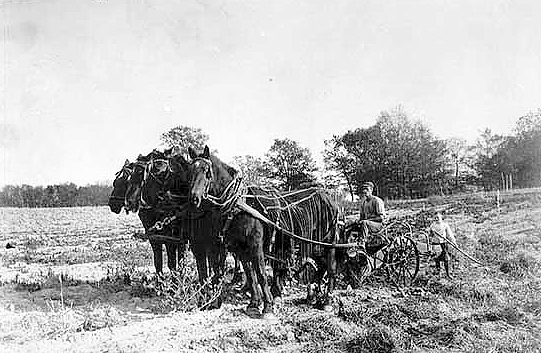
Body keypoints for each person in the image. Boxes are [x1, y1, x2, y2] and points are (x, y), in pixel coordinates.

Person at [347, 181, 386, 257]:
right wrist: (355, 221)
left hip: (378, 225)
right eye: (364, 189)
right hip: (367, 225)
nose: (365, 191)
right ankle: (348, 244)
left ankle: (362, 244)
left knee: (364, 223)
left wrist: (367, 220)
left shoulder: (377, 201)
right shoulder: (363, 203)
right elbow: (361, 217)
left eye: (367, 189)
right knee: (350, 225)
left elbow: (381, 218)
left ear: (371, 190)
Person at [428, 210, 456, 278]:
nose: (436, 219)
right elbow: (430, 236)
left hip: (443, 244)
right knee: (437, 259)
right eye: (435, 218)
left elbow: (450, 235)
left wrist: (454, 242)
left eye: (438, 217)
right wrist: (431, 233)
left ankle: (448, 274)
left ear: (441, 217)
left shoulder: (445, 225)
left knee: (446, 259)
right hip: (435, 244)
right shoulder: (432, 226)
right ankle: (438, 273)